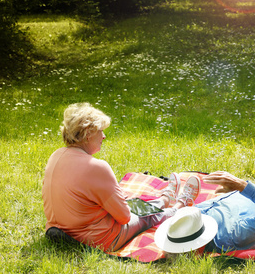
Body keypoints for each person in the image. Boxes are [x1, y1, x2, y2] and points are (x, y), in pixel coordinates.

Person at [42, 102, 201, 252]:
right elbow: (124, 217)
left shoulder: (56, 156)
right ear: (88, 133)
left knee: (134, 205)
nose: (103, 136)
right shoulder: (96, 167)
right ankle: (180, 205)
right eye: (100, 131)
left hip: (62, 229)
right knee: (144, 216)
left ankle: (165, 199)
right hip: (98, 239)